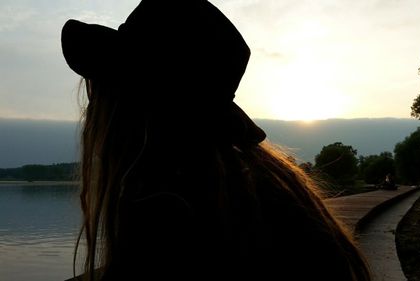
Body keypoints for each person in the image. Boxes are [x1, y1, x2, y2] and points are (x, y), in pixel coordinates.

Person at [61, 1, 372, 280]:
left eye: (98, 89)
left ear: (129, 101)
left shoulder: (165, 211)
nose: (92, 111)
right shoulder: (261, 191)